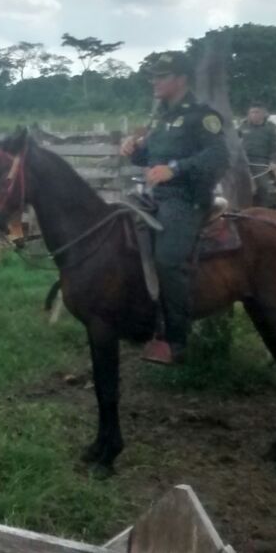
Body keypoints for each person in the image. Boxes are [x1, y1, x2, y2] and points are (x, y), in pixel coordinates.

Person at [119, 52, 229, 365]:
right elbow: (150, 159)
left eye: (161, 76)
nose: (154, 81)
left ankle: (177, 339)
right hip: (155, 197)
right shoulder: (160, 117)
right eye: (152, 76)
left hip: (185, 199)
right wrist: (135, 151)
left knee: (167, 260)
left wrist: (176, 169)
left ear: (181, 79)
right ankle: (141, 320)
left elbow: (219, 158)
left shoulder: (202, 116)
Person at [239, 104, 276, 208]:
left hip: (261, 162)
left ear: (263, 114)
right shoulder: (243, 126)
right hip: (243, 161)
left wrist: (273, 161)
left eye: (257, 112)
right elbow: (233, 141)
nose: (254, 115)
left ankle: (264, 208)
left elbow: (274, 146)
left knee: (263, 186)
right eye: (252, 112)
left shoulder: (269, 129)